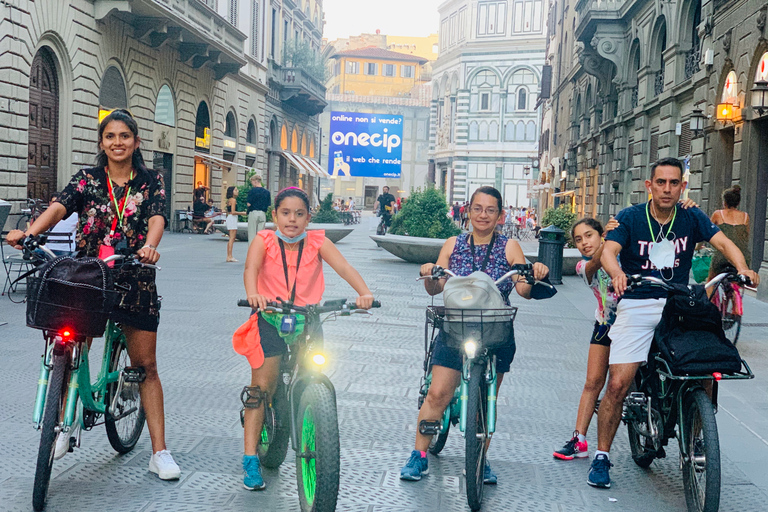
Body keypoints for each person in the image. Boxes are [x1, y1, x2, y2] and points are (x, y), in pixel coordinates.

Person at [6, 108, 181, 480]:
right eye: (110, 136)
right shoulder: (87, 179)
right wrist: (30, 233)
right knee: (69, 345)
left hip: (134, 274)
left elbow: (156, 217)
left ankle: (160, 452)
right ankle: (63, 421)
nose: (117, 142)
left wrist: (150, 246)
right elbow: (59, 206)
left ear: (136, 141)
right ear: (102, 142)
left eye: (124, 136)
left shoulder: (151, 181)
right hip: (90, 275)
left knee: (145, 367)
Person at [591, 157, 759, 489]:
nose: (667, 189)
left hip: (679, 303)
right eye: (661, 182)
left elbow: (724, 243)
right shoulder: (630, 217)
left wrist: (744, 268)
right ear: (649, 186)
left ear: (682, 186)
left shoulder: (691, 216)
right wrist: (618, 272)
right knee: (618, 384)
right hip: (637, 302)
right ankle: (601, 456)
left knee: (706, 361)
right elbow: (609, 251)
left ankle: (698, 430)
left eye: (674, 183)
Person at [400, 185, 550, 484]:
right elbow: (435, 286)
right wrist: (432, 271)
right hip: (456, 325)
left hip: (495, 328)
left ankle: (481, 457)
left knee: (487, 398)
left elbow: (522, 287)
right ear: (468, 212)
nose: (483, 215)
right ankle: (419, 456)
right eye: (477, 209)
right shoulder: (453, 244)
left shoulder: (509, 247)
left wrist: (534, 275)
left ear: (500, 215)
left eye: (490, 210)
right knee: (438, 393)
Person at [235, 187, 376, 490]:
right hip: (270, 318)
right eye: (285, 213)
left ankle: (310, 412)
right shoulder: (264, 240)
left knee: (314, 372)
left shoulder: (317, 241)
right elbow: (251, 269)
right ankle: (250, 459)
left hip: (308, 319)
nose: (292, 220)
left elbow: (344, 267)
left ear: (308, 217)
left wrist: (363, 293)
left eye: (299, 214)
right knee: (263, 385)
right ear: (274, 216)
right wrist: (253, 295)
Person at [553, 217, 619, 460]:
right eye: (578, 240)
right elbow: (593, 266)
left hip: (634, 323)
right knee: (593, 381)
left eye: (589, 235)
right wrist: (607, 242)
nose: (584, 242)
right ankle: (579, 439)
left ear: (600, 234)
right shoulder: (583, 266)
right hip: (604, 324)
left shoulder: (621, 250)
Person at [707, 185, 750, 282]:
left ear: (724, 202)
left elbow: (707, 231)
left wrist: (698, 246)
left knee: (711, 280)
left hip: (722, 257)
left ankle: (708, 296)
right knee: (737, 280)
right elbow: (746, 237)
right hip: (742, 257)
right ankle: (735, 294)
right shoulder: (745, 216)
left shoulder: (718, 214)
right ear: (738, 203)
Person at [44, 191, 78, 255]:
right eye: (54, 203)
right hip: (63, 250)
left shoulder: (45, 216)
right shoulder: (75, 215)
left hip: (52, 250)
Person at [246, 174, 270, 244]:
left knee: (252, 234)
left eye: (252, 182)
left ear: (255, 181)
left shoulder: (252, 191)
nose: (252, 184)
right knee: (261, 235)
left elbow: (249, 204)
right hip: (262, 213)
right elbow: (268, 206)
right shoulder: (267, 192)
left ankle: (252, 252)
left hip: (253, 213)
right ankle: (260, 251)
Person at [226, 186, 246, 263]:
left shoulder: (229, 200)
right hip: (232, 218)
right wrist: (242, 213)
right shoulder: (233, 200)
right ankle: (229, 256)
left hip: (231, 218)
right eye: (236, 190)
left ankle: (229, 255)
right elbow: (233, 211)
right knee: (232, 238)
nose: (237, 191)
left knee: (232, 238)